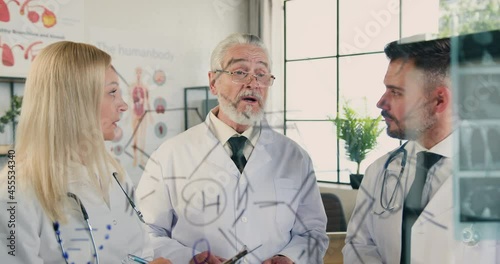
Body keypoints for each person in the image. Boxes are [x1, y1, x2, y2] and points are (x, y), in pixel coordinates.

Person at [136, 33, 328, 264]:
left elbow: (312, 233)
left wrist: (289, 257)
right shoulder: (169, 155)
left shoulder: (295, 156)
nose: (253, 83)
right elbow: (145, 233)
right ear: (213, 82)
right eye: (240, 72)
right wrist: (189, 259)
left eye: (261, 74)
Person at [0, 41, 171, 264]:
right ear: (74, 101)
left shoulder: (113, 172)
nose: (123, 105)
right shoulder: (15, 193)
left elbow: (139, 251)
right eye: (112, 92)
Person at [342, 37, 500, 263]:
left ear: (439, 100)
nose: (381, 102)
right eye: (386, 89)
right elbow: (359, 245)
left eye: (396, 92)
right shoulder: (379, 171)